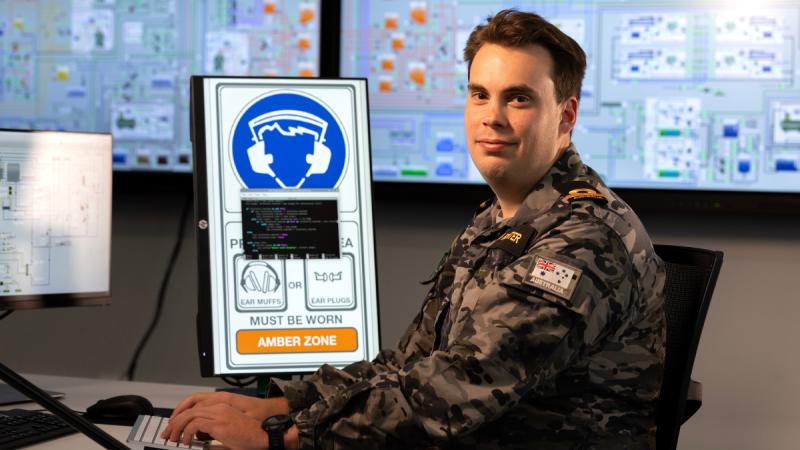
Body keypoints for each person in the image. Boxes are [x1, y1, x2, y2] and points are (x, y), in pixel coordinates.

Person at [163, 9, 666, 449]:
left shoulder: (582, 237)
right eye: (479, 94)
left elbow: (460, 388)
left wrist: (285, 437)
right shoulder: (500, 221)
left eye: (518, 99)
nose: (492, 118)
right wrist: (280, 404)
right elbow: (409, 366)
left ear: (566, 115)